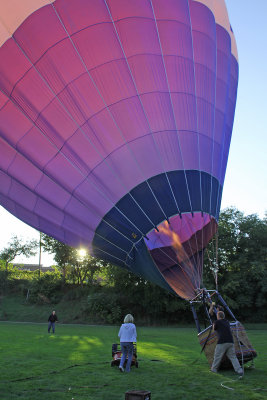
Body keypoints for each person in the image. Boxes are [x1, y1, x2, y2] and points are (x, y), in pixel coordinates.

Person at [211, 311, 243, 375]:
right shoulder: (227, 322)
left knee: (217, 356)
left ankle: (214, 369)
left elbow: (214, 329)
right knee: (233, 357)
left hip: (222, 341)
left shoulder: (217, 322)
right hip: (230, 341)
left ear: (218, 316)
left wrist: (213, 323)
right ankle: (239, 370)